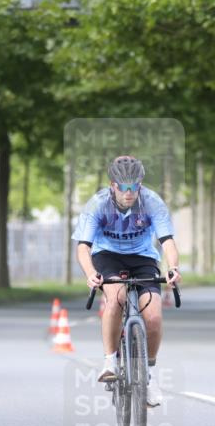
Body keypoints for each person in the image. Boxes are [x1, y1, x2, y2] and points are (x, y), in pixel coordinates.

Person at [72, 155, 181, 408]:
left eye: (134, 186)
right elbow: (83, 248)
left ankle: (149, 375)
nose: (129, 192)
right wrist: (90, 273)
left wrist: (173, 267)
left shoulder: (152, 202)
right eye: (123, 187)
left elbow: (168, 243)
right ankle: (110, 361)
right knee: (116, 298)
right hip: (107, 255)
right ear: (113, 185)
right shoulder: (97, 205)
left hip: (142, 256)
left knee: (153, 316)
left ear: (140, 185)